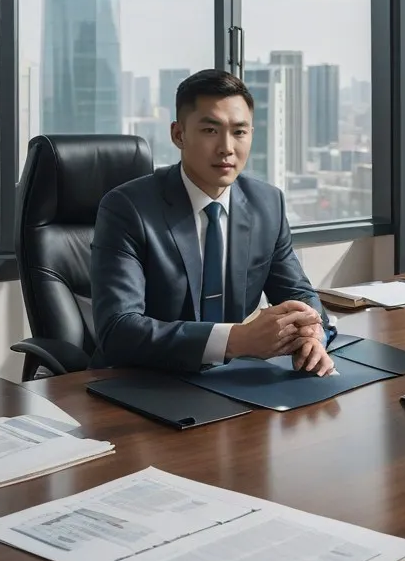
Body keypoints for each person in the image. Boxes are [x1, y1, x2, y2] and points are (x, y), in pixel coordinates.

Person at [91, 69, 337, 375]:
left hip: (232, 381)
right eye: (210, 130)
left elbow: (298, 293)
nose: (227, 148)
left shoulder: (267, 204)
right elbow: (118, 330)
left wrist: (312, 333)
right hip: (142, 381)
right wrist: (236, 340)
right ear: (178, 134)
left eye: (239, 132)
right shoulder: (128, 208)